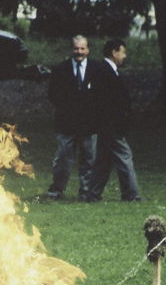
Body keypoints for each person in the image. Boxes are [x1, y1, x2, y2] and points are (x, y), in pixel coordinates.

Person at [46, 35, 101, 201]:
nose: (79, 52)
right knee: (63, 160)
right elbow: (53, 94)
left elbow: (101, 95)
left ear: (88, 50)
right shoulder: (59, 69)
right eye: (76, 48)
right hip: (66, 123)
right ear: (72, 49)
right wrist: (67, 109)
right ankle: (56, 190)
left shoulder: (96, 69)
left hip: (89, 124)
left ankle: (86, 192)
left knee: (89, 160)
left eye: (83, 48)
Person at [89, 39, 141, 202]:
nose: (124, 56)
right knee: (124, 157)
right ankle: (132, 194)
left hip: (108, 126)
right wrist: (117, 124)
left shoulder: (105, 71)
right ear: (114, 52)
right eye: (122, 52)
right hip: (111, 126)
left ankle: (93, 193)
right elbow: (106, 102)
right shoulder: (103, 71)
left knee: (103, 161)